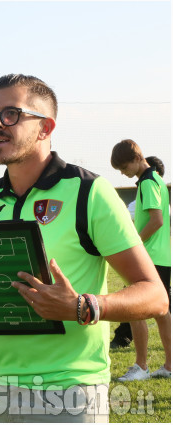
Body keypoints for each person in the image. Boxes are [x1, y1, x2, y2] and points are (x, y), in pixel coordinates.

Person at [0, 74, 168, 422]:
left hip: (71, 390)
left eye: (11, 114)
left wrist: (83, 306)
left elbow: (155, 296)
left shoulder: (89, 191)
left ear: (45, 127)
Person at [111, 140, 171, 380]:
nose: (123, 173)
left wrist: (135, 243)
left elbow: (156, 220)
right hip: (162, 257)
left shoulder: (147, 182)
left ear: (137, 159)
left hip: (149, 257)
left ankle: (142, 367)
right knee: (162, 312)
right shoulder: (157, 180)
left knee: (136, 311)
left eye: (124, 167)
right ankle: (168, 366)